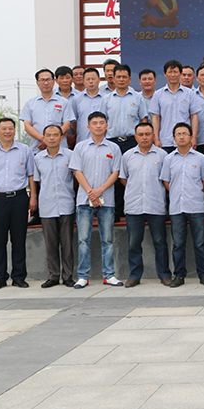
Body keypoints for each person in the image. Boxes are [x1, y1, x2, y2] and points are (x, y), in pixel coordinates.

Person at [0, 117, 37, 290]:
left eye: (11, 128)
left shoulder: (25, 150)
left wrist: (33, 197)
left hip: (19, 199)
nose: (7, 131)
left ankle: (19, 277)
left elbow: (31, 175)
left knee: (19, 239)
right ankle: (0, 277)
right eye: (4, 128)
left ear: (15, 131)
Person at [70, 111, 123, 289]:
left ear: (107, 126)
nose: (98, 126)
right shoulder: (80, 147)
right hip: (84, 200)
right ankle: (83, 276)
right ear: (88, 126)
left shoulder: (114, 148)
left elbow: (116, 173)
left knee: (107, 239)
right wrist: (90, 192)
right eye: (95, 123)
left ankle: (109, 275)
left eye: (101, 122)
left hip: (106, 200)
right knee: (83, 240)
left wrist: (99, 190)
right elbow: (77, 171)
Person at [119, 122, 171, 287]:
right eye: (141, 134)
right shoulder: (127, 156)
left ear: (153, 135)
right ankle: (134, 275)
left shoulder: (162, 155)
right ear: (135, 137)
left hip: (156, 204)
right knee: (134, 243)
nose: (144, 137)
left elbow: (166, 179)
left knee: (160, 242)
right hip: (134, 205)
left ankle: (164, 274)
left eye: (148, 134)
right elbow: (124, 178)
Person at [161, 122, 204, 287]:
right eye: (178, 134)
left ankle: (203, 275)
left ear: (191, 137)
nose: (182, 137)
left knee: (200, 243)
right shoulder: (169, 159)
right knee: (178, 244)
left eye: (185, 133)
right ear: (174, 138)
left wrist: (194, 193)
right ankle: (179, 275)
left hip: (196, 205)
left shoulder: (200, 158)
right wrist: (177, 193)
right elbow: (166, 181)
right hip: (177, 206)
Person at [102, 63, 149, 222]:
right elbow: (102, 122)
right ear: (113, 78)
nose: (121, 79)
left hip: (132, 142)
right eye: (118, 77)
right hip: (112, 142)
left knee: (133, 176)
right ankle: (115, 211)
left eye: (124, 77)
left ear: (129, 79)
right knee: (113, 176)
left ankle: (133, 209)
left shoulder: (138, 97)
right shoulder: (107, 99)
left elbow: (143, 119)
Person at [33, 124, 75, 288]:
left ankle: (68, 276)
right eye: (48, 135)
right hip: (47, 205)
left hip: (66, 203)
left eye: (55, 135)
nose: (52, 138)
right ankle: (53, 275)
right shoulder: (38, 158)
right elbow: (38, 181)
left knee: (67, 244)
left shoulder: (70, 156)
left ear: (61, 137)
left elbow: (76, 178)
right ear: (43, 138)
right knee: (51, 244)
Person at [150, 59, 202, 152]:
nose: (173, 75)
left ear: (180, 73)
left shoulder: (190, 93)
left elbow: (194, 116)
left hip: (185, 140)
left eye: (175, 72)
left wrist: (193, 137)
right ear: (165, 74)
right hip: (165, 140)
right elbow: (156, 118)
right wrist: (156, 139)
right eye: (170, 72)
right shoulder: (158, 94)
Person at [21, 68, 73, 153]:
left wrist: (52, 139)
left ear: (53, 81)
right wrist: (44, 139)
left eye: (48, 79)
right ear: (37, 83)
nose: (46, 83)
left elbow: (66, 125)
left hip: (60, 149)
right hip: (38, 148)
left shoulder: (64, 102)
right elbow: (27, 126)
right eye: (42, 80)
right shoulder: (30, 104)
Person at [70, 67, 103, 145]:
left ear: (99, 80)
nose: (91, 81)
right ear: (83, 81)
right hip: (82, 141)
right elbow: (74, 122)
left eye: (93, 79)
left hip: (102, 141)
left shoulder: (106, 98)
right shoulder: (76, 99)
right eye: (88, 79)